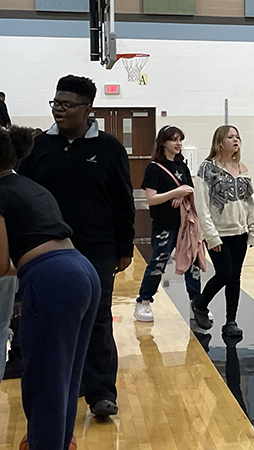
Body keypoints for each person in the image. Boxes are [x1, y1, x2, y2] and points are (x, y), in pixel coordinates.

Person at [17, 75, 135, 418]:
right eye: (55, 103)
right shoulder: (38, 147)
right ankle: (66, 386)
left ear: (88, 109)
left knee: (98, 318)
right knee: (53, 319)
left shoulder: (109, 148)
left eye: (67, 105)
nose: (59, 110)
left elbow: (122, 200)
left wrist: (124, 246)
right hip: (47, 250)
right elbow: (21, 195)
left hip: (98, 248)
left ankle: (101, 393)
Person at [1, 125, 101, 450]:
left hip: (53, 280)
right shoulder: (29, 186)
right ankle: (58, 441)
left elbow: (2, 264)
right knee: (65, 375)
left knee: (44, 380)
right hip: (81, 270)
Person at [192, 125, 254, 337]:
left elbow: (251, 202)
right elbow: (202, 205)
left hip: (239, 233)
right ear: (220, 141)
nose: (236, 140)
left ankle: (231, 320)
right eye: (231, 136)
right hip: (218, 233)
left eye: (238, 136)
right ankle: (201, 304)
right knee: (225, 273)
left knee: (235, 277)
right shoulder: (207, 169)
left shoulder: (242, 168)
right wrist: (210, 236)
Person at [133, 125, 203, 322]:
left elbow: (189, 189)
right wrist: (175, 193)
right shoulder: (154, 168)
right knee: (158, 262)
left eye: (180, 139)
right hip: (165, 223)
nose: (178, 143)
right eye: (174, 139)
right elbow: (151, 198)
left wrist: (182, 194)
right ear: (163, 142)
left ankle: (195, 304)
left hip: (185, 224)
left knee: (192, 262)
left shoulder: (182, 166)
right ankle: (143, 301)